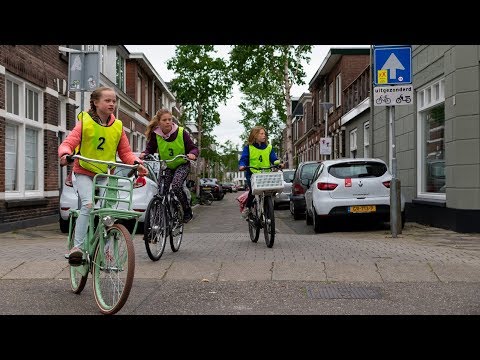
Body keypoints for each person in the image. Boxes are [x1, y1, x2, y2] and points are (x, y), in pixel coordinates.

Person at [58, 86, 148, 262]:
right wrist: (65, 154)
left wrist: (138, 164)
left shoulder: (118, 126)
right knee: (88, 205)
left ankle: (105, 250)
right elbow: (69, 142)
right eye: (107, 100)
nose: (112, 104)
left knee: (109, 212)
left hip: (106, 174)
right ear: (95, 102)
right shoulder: (85, 122)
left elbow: (126, 153)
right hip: (84, 171)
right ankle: (77, 248)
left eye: (114, 101)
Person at [141, 109, 198, 223]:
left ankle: (187, 210)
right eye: (164, 120)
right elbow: (150, 148)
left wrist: (192, 154)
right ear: (159, 122)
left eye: (170, 119)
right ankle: (161, 221)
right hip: (166, 166)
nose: (168, 122)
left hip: (181, 164)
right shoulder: (156, 134)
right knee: (161, 192)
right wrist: (145, 154)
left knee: (176, 186)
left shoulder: (181, 132)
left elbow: (193, 148)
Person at [238, 125, 283, 218]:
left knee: (269, 191)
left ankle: (268, 213)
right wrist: (242, 165)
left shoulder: (269, 147)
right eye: (261, 134)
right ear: (255, 135)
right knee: (253, 191)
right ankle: (248, 207)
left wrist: (278, 163)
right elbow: (244, 159)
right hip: (252, 173)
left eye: (264, 134)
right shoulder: (248, 147)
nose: (264, 136)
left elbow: (273, 159)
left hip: (265, 174)